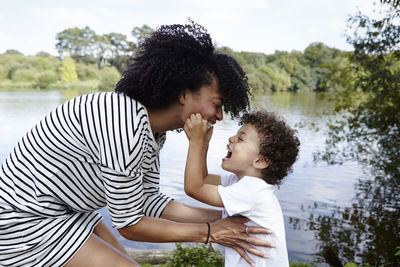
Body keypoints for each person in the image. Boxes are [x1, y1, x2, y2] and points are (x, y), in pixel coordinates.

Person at [0, 22, 273, 267]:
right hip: (22, 221)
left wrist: (229, 215)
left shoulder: (150, 129)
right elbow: (129, 225)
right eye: (216, 104)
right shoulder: (123, 123)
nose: (220, 116)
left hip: (65, 213)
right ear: (183, 94)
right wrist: (212, 232)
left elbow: (147, 201)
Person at [183, 110, 300, 266]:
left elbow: (194, 188)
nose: (231, 138)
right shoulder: (240, 182)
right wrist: (204, 144)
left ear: (260, 160)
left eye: (240, 139)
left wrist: (195, 142)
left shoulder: (252, 190)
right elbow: (203, 179)